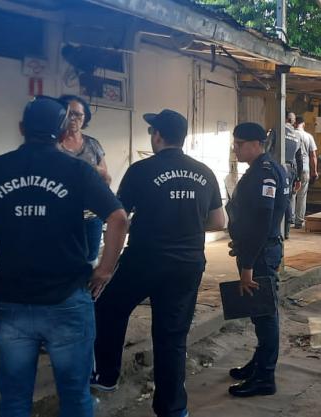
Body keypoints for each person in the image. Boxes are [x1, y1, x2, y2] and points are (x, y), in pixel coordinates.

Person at [0, 96, 128, 417]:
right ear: (64, 130)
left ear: (22, 128)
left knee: (14, 397)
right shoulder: (78, 170)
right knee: (75, 395)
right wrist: (105, 269)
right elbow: (118, 218)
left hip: (12, 301)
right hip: (68, 298)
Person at [92, 110, 226, 417]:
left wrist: (106, 267)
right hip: (187, 264)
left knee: (108, 308)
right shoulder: (204, 172)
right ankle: (173, 409)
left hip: (144, 259)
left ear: (157, 136)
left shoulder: (141, 170)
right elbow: (218, 221)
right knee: (172, 336)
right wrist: (186, 224)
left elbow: (119, 220)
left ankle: (108, 376)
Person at [225, 122, 290, 398]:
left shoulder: (265, 174)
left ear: (255, 144)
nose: (235, 149)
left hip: (261, 254)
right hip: (256, 250)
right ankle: (259, 363)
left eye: (239, 144)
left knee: (265, 315)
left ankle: (265, 377)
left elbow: (263, 222)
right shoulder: (262, 170)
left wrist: (248, 263)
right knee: (258, 312)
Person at [58, 95, 111, 264]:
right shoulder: (53, 145)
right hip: (61, 217)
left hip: (92, 216)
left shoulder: (93, 145)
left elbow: (106, 179)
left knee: (90, 261)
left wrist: (95, 171)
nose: (73, 118)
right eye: (69, 113)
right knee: (64, 261)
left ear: (85, 117)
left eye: (78, 114)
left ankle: (87, 291)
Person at [292, 116, 318, 228]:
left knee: (292, 194)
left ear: (294, 124)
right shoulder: (308, 136)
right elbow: (313, 156)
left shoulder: (291, 134)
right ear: (303, 124)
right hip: (305, 169)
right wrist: (314, 171)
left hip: (293, 168)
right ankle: (299, 221)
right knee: (302, 195)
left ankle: (290, 219)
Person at [282, 112, 303, 238]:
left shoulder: (278, 130)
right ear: (294, 122)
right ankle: (287, 231)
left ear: (285, 119)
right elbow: (299, 159)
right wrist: (298, 178)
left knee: (276, 199)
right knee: (288, 198)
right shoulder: (297, 136)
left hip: (278, 169)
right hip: (291, 170)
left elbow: (267, 148)